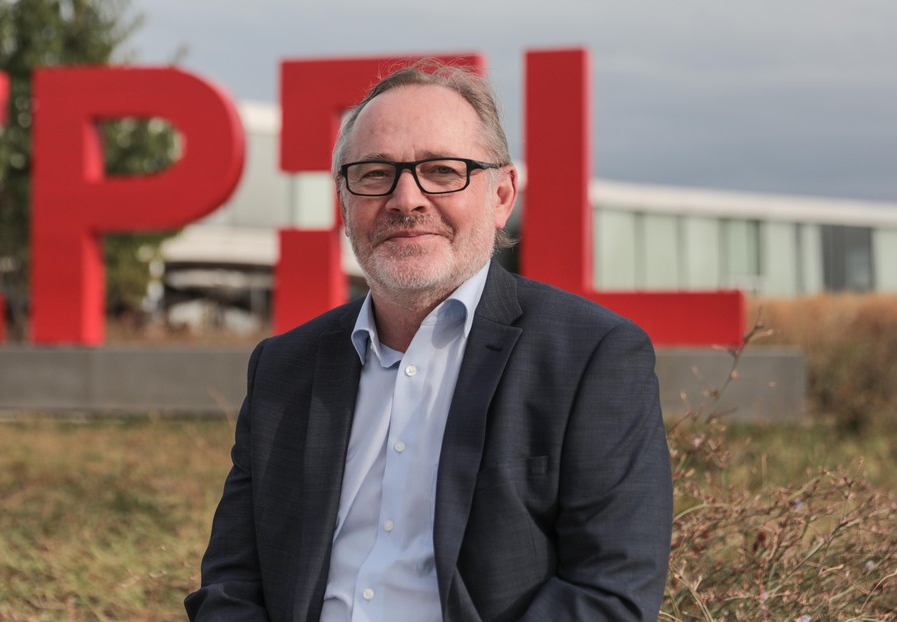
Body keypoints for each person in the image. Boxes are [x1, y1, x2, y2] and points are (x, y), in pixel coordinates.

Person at [185, 61, 672, 621]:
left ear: (502, 195)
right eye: (374, 173)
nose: (406, 199)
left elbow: (609, 594)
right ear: (344, 200)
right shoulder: (283, 367)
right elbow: (231, 585)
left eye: (443, 171)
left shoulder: (591, 358)